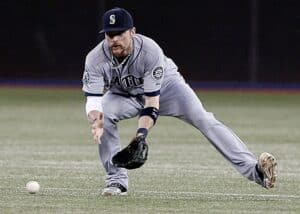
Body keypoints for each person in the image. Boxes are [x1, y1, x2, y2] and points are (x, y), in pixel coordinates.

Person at [82, 7, 277, 196]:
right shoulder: (95, 58)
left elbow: (151, 103)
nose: (114, 39)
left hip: (166, 88)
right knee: (103, 116)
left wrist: (140, 136)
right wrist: (95, 119)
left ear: (132, 32)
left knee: (202, 118)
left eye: (119, 33)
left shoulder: (150, 52)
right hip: (124, 95)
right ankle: (116, 181)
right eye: (109, 34)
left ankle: (256, 172)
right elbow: (93, 100)